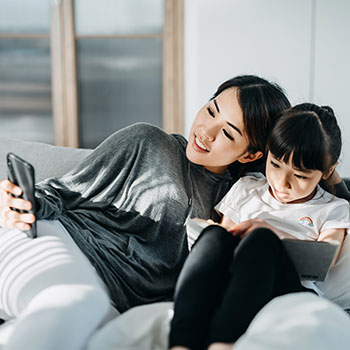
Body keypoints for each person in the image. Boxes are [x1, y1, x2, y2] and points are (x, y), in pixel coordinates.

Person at [0, 75, 291, 349]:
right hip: (63, 243)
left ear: (250, 154)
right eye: (211, 111)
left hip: (113, 300)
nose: (207, 131)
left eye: (227, 132)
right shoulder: (148, 142)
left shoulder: (242, 201)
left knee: (86, 331)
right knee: (77, 303)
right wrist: (21, 200)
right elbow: (63, 191)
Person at [168, 103, 350, 350]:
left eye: (299, 176)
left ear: (327, 171)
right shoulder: (247, 188)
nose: (281, 182)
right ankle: (181, 344)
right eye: (275, 164)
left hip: (288, 290)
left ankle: (224, 343)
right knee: (214, 235)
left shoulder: (333, 209)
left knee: (260, 239)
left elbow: (324, 260)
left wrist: (271, 231)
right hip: (237, 284)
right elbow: (225, 241)